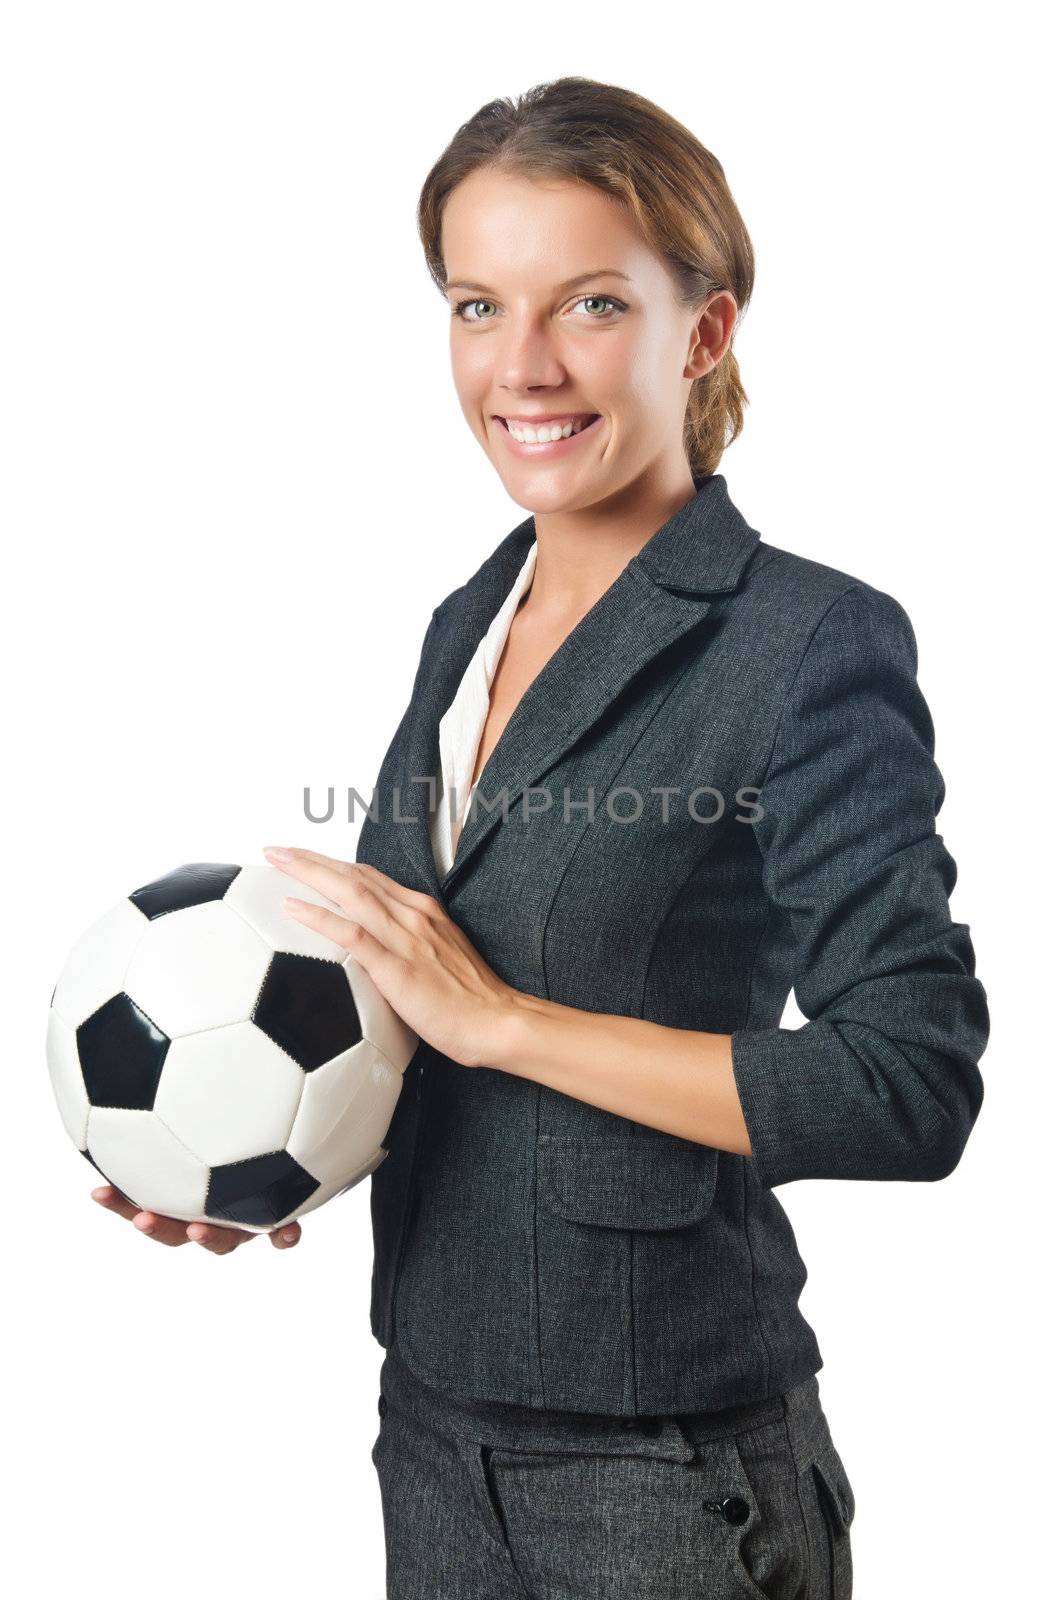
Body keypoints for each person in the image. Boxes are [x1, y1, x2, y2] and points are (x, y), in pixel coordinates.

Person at [93, 76, 990, 1600]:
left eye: (586, 303)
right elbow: (412, 1007)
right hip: (433, 1428)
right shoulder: (468, 621)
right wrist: (249, 1147)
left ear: (702, 329)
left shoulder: (805, 643)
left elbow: (909, 1085)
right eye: (473, 305)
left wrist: (507, 1025)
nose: (521, 367)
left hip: (669, 1467)